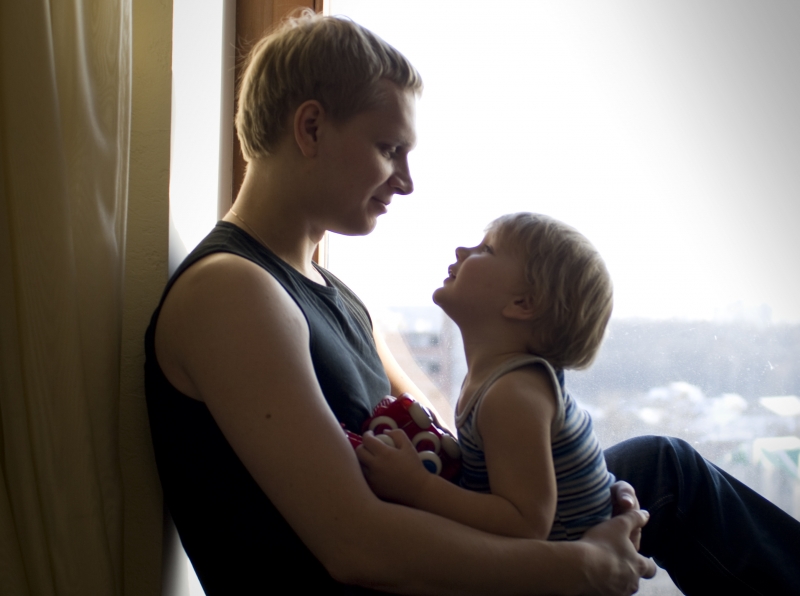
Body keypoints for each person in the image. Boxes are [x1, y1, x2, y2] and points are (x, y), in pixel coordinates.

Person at [144, 10, 800, 596]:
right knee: (669, 476)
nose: (406, 182)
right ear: (310, 127)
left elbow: (463, 457)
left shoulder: (332, 295)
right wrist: (580, 566)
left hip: (428, 555)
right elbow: (357, 548)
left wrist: (594, 493)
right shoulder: (231, 292)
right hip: (388, 578)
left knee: (657, 473)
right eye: (389, 149)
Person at [358, 213, 616, 542]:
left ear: (523, 303)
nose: (462, 251)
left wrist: (418, 486)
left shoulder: (512, 394)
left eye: (486, 250)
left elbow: (526, 523)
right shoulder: (497, 382)